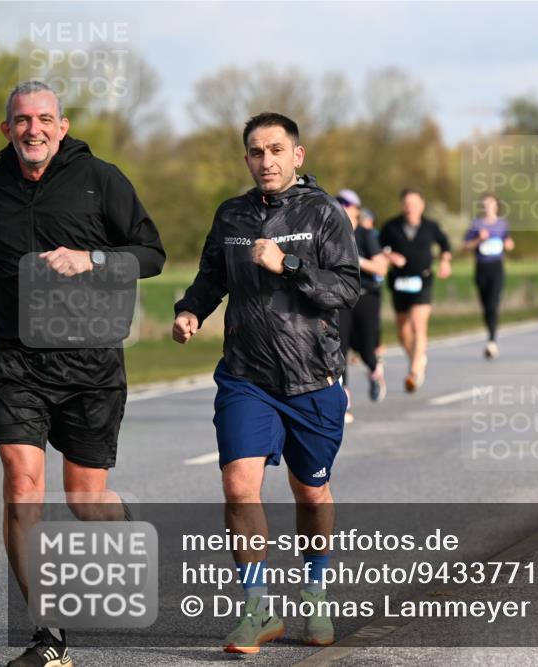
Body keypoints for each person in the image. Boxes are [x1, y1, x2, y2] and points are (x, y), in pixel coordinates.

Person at [0, 81, 166, 667]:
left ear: (62, 126)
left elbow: (151, 254)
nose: (33, 129)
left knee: (85, 500)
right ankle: (49, 638)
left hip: (90, 360)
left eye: (45, 119)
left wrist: (91, 258)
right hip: (15, 360)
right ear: (7, 129)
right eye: (22, 120)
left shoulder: (101, 179)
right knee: (21, 484)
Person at [173, 112, 360, 653]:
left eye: (276, 150)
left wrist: (289, 264)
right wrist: (191, 309)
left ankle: (315, 593)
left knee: (311, 490)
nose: (266, 161)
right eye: (256, 152)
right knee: (239, 486)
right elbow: (211, 276)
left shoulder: (324, 212)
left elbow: (347, 289)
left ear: (297, 155)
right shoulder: (231, 214)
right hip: (246, 375)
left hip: (312, 377)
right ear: (247, 159)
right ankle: (257, 607)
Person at [380, 189, 452, 392]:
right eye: (406, 204)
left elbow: (445, 245)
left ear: (422, 205)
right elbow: (377, 248)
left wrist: (445, 261)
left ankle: (413, 372)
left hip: (423, 280)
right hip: (399, 282)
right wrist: (390, 256)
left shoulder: (431, 226)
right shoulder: (391, 226)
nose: (409, 207)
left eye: (413, 204)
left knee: (418, 325)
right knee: (403, 332)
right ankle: (418, 360)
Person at [336, 189, 388, 420]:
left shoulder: (366, 235)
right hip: (340, 299)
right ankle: (344, 401)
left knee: (366, 349)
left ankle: (374, 371)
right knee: (340, 349)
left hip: (366, 297)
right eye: (339, 203)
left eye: (347, 204)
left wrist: (355, 260)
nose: (342, 208)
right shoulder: (331, 233)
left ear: (357, 210)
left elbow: (381, 268)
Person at [463, 193, 513, 359]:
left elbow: (508, 242)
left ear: (496, 206)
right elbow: (466, 246)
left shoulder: (502, 224)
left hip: (496, 267)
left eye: (490, 204)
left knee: (493, 303)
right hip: (481, 267)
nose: (487, 207)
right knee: (486, 305)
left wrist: (508, 244)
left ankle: (492, 340)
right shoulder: (476, 224)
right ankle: (490, 333)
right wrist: (479, 239)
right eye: (484, 205)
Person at [359, 208, 388, 361]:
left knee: (373, 320)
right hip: (363, 282)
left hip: (374, 283)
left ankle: (377, 347)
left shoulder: (374, 234)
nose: (365, 222)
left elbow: (383, 255)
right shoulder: (357, 234)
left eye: (367, 219)